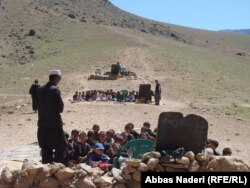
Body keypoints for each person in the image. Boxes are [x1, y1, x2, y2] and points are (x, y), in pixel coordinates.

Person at [37, 70, 68, 166]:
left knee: (46, 148)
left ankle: (46, 172)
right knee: (61, 147)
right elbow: (60, 108)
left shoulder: (40, 90)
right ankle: (61, 169)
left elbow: (36, 106)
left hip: (42, 124)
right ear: (57, 78)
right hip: (55, 124)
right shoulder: (55, 89)